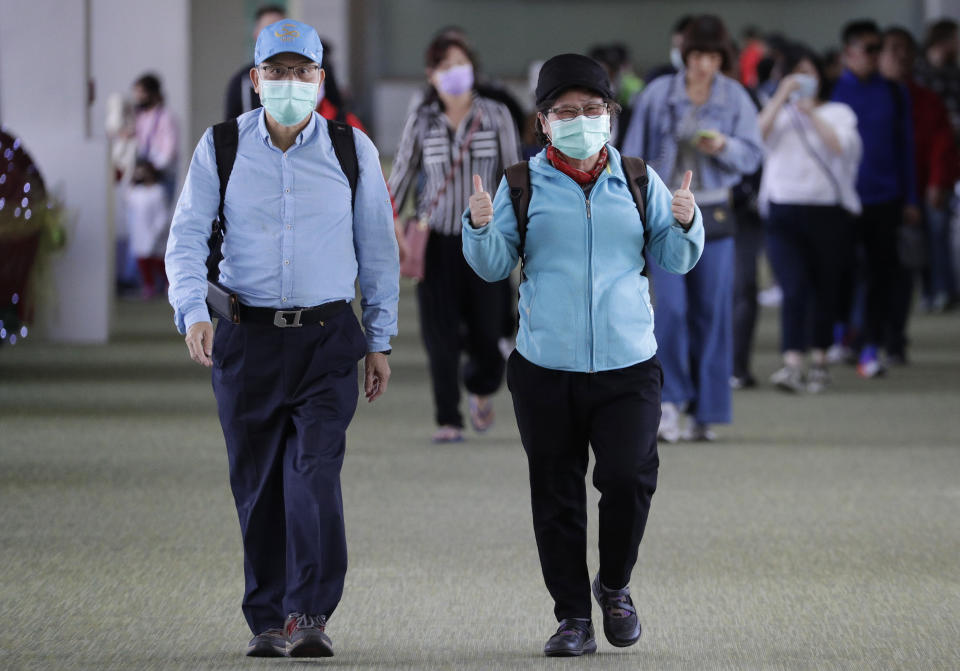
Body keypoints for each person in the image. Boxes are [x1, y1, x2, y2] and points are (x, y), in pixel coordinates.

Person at [164, 20, 398, 658]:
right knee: (258, 481)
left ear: (320, 82)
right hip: (247, 339)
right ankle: (267, 617)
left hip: (327, 339)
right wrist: (193, 311)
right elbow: (185, 237)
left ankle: (308, 613)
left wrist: (379, 339)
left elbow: (378, 250)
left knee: (313, 471)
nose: (289, 83)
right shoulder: (221, 148)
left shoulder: (353, 151)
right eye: (277, 72)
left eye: (302, 72)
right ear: (255, 80)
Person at [463, 52, 703, 658]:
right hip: (546, 365)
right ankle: (573, 616)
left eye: (590, 110)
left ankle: (614, 585)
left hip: (628, 364)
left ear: (610, 115)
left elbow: (674, 260)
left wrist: (686, 221)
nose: (578, 120)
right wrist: (480, 226)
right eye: (564, 112)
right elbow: (494, 267)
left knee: (628, 479)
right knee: (557, 492)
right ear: (542, 121)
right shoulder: (520, 182)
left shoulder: (638, 178)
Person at [622, 14, 763, 441]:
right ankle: (669, 402)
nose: (704, 64)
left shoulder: (735, 97)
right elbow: (632, 156)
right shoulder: (657, 94)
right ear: (685, 55)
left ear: (723, 58)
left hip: (715, 214)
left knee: (712, 313)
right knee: (671, 309)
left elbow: (753, 156)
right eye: (698, 55)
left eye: (713, 56)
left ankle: (708, 409)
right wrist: (635, 206)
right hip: (664, 214)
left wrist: (724, 146)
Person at [388, 33, 521, 444]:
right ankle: (448, 417)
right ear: (431, 75)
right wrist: (390, 218)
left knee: (489, 331)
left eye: (460, 63)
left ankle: (481, 387)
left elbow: (515, 173)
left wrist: (518, 229)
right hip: (438, 239)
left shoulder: (496, 114)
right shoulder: (422, 119)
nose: (454, 73)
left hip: (486, 239)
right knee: (439, 336)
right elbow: (403, 173)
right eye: (445, 66)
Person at [757, 43, 862, 393]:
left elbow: (840, 147)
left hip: (827, 211)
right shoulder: (778, 113)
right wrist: (780, 98)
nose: (804, 79)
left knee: (824, 287)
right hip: (783, 210)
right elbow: (755, 139)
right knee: (794, 287)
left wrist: (810, 112)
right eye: (795, 73)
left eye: (810, 72)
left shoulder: (839, 112)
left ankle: (820, 359)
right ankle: (791, 363)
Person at [831, 20, 920, 375]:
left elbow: (906, 149)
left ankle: (872, 342)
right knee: (842, 271)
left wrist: (911, 197)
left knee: (883, 272)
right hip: (842, 200)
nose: (876, 55)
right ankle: (841, 333)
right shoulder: (833, 91)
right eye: (869, 48)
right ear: (848, 53)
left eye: (878, 48)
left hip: (886, 197)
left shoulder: (895, 93)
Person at [884, 26, 960, 313]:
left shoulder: (927, 97)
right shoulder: (879, 95)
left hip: (929, 180)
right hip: (891, 186)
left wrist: (938, 182)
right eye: (894, 49)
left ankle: (941, 289)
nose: (902, 56)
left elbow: (942, 143)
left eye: (906, 49)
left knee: (936, 234)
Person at [223, 4, 285, 121]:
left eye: (281, 30)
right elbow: (230, 132)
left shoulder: (304, 78)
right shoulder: (240, 82)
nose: (276, 36)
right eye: (268, 30)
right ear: (256, 34)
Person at [132, 73, 179, 204]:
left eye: (141, 92)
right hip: (143, 171)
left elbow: (170, 149)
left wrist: (154, 167)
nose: (137, 97)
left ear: (151, 93)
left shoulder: (166, 117)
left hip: (160, 174)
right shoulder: (140, 116)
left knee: (158, 215)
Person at [127, 159, 170, 299]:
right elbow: (126, 198)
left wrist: (157, 230)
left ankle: (167, 284)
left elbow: (162, 213)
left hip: (155, 231)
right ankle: (148, 286)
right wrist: (132, 178)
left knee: (158, 260)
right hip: (140, 232)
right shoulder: (135, 192)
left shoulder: (158, 191)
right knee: (143, 259)